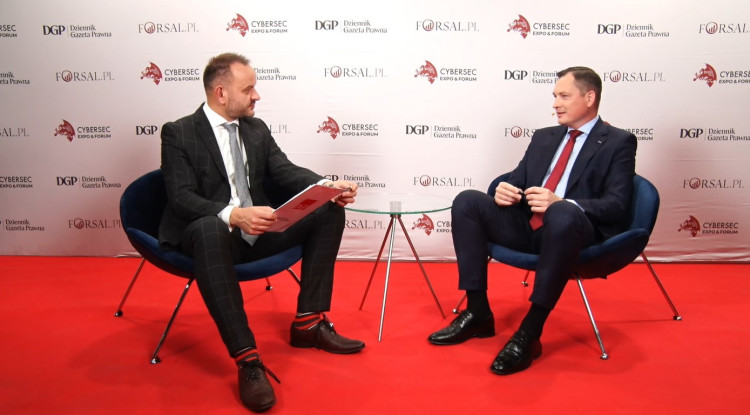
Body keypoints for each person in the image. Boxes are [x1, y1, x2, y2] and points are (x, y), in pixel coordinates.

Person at [159, 52, 364, 412]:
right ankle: (248, 361)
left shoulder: (256, 129)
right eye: (248, 89)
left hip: (258, 231)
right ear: (221, 93)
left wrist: (326, 186)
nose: (257, 96)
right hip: (212, 237)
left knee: (328, 209)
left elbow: (284, 171)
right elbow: (181, 198)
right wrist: (234, 215)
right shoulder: (179, 133)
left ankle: (308, 323)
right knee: (209, 228)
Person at [427, 66, 636, 375]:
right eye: (555, 96)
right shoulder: (544, 137)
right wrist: (504, 190)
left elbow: (617, 205)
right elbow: (518, 179)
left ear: (590, 98)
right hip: (529, 225)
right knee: (467, 201)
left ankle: (530, 331)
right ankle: (478, 312)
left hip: (573, 234)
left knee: (562, 213)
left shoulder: (619, 141)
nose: (556, 104)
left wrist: (562, 203)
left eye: (564, 96)